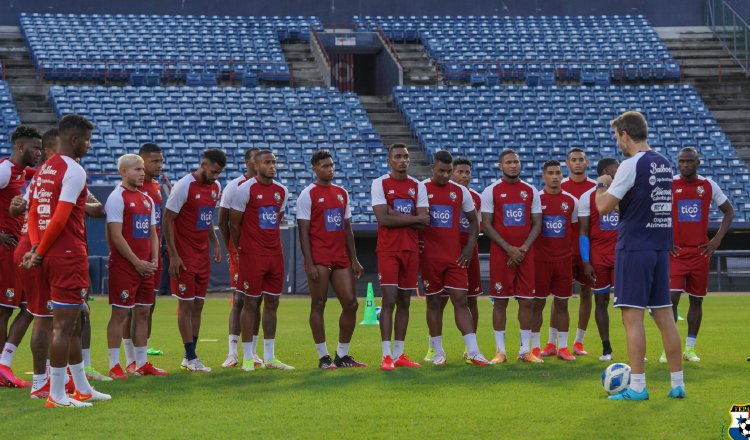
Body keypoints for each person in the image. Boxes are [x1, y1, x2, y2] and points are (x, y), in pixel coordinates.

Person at [595, 111, 685, 400]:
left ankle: (637, 386)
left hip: (634, 248)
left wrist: (601, 185)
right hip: (660, 248)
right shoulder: (663, 161)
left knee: (632, 318)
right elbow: (640, 204)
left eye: (617, 137)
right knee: (666, 318)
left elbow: (604, 207)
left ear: (625, 134)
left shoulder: (631, 164)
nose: (618, 142)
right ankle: (677, 384)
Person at [24, 114, 111, 407]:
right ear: (74, 140)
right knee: (63, 325)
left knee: (74, 322)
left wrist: (37, 247)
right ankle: (58, 395)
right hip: (68, 254)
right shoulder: (74, 170)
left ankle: (82, 387)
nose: (89, 145)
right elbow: (60, 218)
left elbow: (33, 212)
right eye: (87, 140)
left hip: (49, 253)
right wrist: (39, 250)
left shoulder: (44, 169)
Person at [296, 149, 367, 369]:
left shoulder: (341, 193)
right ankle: (323, 356)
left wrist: (354, 259)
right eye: (325, 166)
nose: (330, 169)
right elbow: (303, 232)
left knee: (351, 304)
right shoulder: (307, 194)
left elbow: (347, 229)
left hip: (340, 257)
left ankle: (342, 355)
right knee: (318, 304)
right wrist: (308, 263)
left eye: (332, 165)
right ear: (315, 168)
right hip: (319, 258)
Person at [665, 146, 733, 363]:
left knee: (696, 301)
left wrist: (717, 239)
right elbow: (654, 211)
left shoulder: (708, 185)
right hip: (676, 252)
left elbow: (729, 211)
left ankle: (690, 348)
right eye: (681, 161)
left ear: (698, 163)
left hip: (700, 253)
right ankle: (669, 347)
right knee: (671, 299)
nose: (685, 165)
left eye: (689, 161)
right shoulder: (670, 184)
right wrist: (664, 239)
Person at [420, 150, 488, 366]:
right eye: (441, 171)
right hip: (430, 257)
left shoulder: (460, 192)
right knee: (434, 302)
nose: (445, 175)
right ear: (433, 168)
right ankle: (438, 351)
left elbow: (473, 221)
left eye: (449, 171)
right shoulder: (422, 189)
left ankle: (474, 351)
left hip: (455, 257)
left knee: (461, 300)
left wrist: (469, 248)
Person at [229, 149, 294, 371]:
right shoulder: (244, 190)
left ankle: (270, 356)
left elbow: (278, 218)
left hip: (275, 254)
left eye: (274, 162)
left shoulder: (282, 191)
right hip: (252, 255)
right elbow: (233, 224)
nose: (272, 166)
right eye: (267, 162)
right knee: (250, 303)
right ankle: (248, 356)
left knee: (273, 303)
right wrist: (242, 248)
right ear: (256, 166)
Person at [104, 154, 167, 378]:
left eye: (142, 169)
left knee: (143, 313)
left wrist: (154, 260)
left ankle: (141, 363)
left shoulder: (146, 199)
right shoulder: (116, 197)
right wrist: (136, 262)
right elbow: (115, 235)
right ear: (123, 172)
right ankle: (114, 365)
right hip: (125, 266)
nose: (142, 173)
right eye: (137, 169)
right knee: (119, 314)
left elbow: (153, 233)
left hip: (146, 267)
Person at [163, 148, 225, 372]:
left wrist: (215, 243)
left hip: (202, 255)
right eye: (213, 171)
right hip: (184, 256)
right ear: (204, 164)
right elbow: (167, 220)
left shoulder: (215, 188)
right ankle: (191, 357)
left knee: (199, 304)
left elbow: (206, 218)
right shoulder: (183, 186)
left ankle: (189, 356)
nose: (215, 176)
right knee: (186, 305)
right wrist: (174, 255)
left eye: (219, 173)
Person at [370, 143, 429, 371]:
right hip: (388, 249)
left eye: (405, 156)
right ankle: (386, 355)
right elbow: (382, 219)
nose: (402, 160)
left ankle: (399, 353)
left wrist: (394, 214)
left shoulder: (417, 186)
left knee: (405, 301)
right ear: (389, 160)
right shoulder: (380, 183)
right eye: (397, 156)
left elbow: (425, 219)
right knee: (389, 300)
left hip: (411, 249)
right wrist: (411, 218)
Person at [481, 149, 543, 364]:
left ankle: (525, 351)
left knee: (527, 301)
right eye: (509, 162)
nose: (514, 165)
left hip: (526, 255)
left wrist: (523, 249)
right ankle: (501, 351)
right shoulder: (491, 191)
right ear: (500, 166)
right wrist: (509, 249)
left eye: (516, 162)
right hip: (501, 255)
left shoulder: (531, 190)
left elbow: (537, 223)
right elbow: (486, 226)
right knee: (500, 302)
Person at [0, 125, 42, 388]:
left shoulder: (20, 173)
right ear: (20, 147)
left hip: (17, 250)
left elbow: (43, 174)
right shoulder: (5, 170)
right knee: (4, 309)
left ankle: (5, 362)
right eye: (35, 148)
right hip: (5, 249)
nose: (38, 153)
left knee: (29, 307)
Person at [219, 147, 262, 369]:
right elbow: (223, 222)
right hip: (241, 253)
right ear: (247, 162)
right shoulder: (234, 187)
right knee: (240, 300)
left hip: (261, 253)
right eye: (256, 160)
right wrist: (233, 249)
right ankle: (232, 352)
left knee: (258, 300)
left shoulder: (271, 188)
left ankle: (253, 351)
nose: (260, 164)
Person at [531, 160, 579, 362]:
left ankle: (563, 347)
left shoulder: (570, 201)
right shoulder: (536, 200)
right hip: (540, 261)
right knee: (537, 304)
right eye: (550, 173)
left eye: (558, 173)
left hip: (563, 261)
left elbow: (575, 231)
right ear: (543, 176)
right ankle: (534, 347)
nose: (555, 176)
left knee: (562, 304)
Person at [554, 147, 597, 356]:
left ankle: (579, 341)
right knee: (558, 297)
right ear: (567, 163)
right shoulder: (558, 187)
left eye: (581, 159)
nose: (578, 163)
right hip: (563, 251)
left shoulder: (597, 188)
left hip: (587, 251)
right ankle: (552, 343)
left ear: (587, 163)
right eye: (574, 160)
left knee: (586, 293)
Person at [577, 157, 620, 361]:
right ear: (605, 171)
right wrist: (586, 261)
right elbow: (583, 231)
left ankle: (635, 346)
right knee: (601, 301)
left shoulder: (625, 191)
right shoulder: (587, 197)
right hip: (599, 257)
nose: (620, 170)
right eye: (616, 168)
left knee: (629, 303)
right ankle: (606, 349)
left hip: (623, 255)